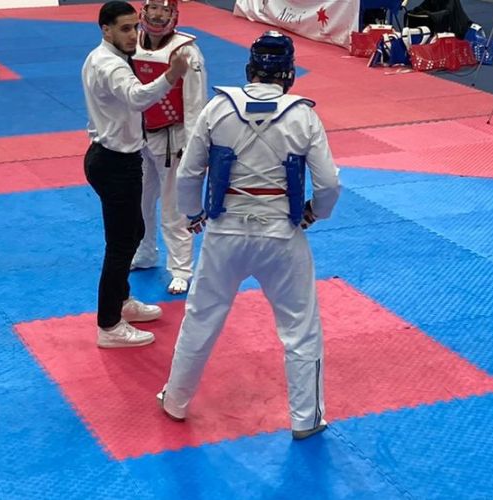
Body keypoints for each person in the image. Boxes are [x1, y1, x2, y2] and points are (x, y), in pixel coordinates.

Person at [157, 31, 341, 440]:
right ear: (290, 73)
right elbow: (328, 183)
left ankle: (175, 400)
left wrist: (193, 213)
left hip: (224, 232)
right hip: (282, 234)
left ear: (249, 69)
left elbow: (188, 173)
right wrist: (316, 211)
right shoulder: (303, 116)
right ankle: (306, 419)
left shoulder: (218, 108)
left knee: (201, 318)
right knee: (300, 328)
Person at [82, 1, 188, 348]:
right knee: (121, 244)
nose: (133, 35)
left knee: (134, 231)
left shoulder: (102, 57)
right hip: (114, 162)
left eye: (135, 27)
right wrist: (172, 75)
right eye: (125, 29)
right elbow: (137, 97)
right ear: (106, 30)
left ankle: (122, 300)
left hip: (113, 157)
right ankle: (109, 325)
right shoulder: (110, 64)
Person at [130, 0, 208, 296]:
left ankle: (181, 269)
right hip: (139, 135)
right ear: (144, 11)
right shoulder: (131, 42)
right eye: (153, 8)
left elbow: (195, 104)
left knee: (174, 208)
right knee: (139, 201)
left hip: (173, 138)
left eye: (165, 10)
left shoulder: (186, 51)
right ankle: (145, 251)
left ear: (174, 15)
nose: (158, 15)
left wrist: (193, 146)